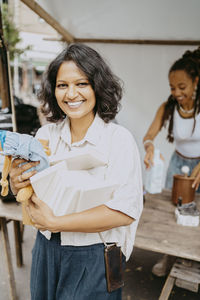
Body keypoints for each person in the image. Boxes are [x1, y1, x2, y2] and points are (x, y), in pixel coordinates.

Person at [9, 43, 143, 300]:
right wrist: (18, 183)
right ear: (53, 90)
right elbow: (30, 190)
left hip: (95, 255)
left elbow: (125, 211)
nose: (71, 94)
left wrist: (56, 223)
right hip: (47, 250)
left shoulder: (118, 140)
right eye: (62, 85)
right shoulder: (47, 135)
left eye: (82, 84)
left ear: (97, 86)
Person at [143, 47, 200, 277]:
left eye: (182, 87)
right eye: (172, 87)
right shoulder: (168, 108)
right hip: (178, 163)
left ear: (196, 81)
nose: (176, 92)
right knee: (171, 211)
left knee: (195, 213)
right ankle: (168, 255)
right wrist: (149, 148)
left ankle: (194, 257)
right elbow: (149, 135)